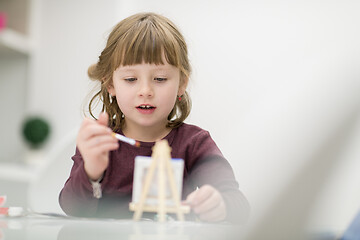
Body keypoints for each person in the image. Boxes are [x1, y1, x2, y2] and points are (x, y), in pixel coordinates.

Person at [59, 12, 250, 223]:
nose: (146, 90)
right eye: (131, 79)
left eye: (160, 78)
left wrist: (220, 205)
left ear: (182, 83)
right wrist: (91, 173)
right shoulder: (101, 142)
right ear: (110, 84)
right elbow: (72, 208)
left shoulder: (194, 144)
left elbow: (239, 206)